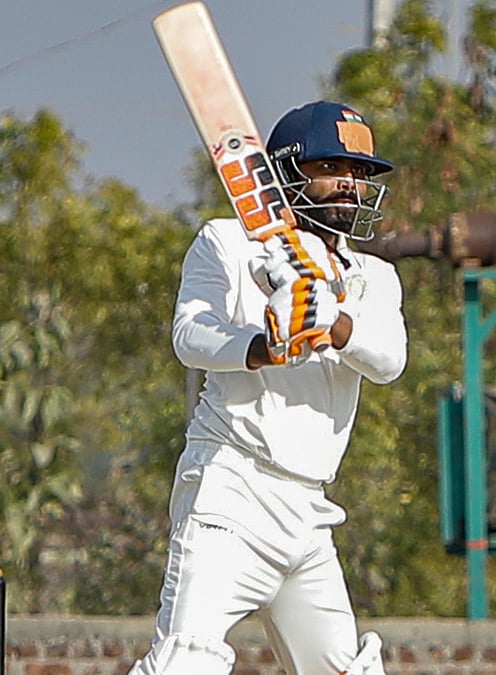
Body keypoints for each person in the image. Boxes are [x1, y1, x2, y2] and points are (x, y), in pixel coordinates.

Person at [129, 101, 407, 674]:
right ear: (285, 171)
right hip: (232, 489)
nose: (350, 186)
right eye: (334, 168)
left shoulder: (372, 278)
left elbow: (390, 359)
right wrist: (264, 346)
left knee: (344, 670)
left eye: (358, 173)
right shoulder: (228, 244)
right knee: (186, 663)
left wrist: (333, 323)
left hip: (309, 512)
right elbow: (190, 336)